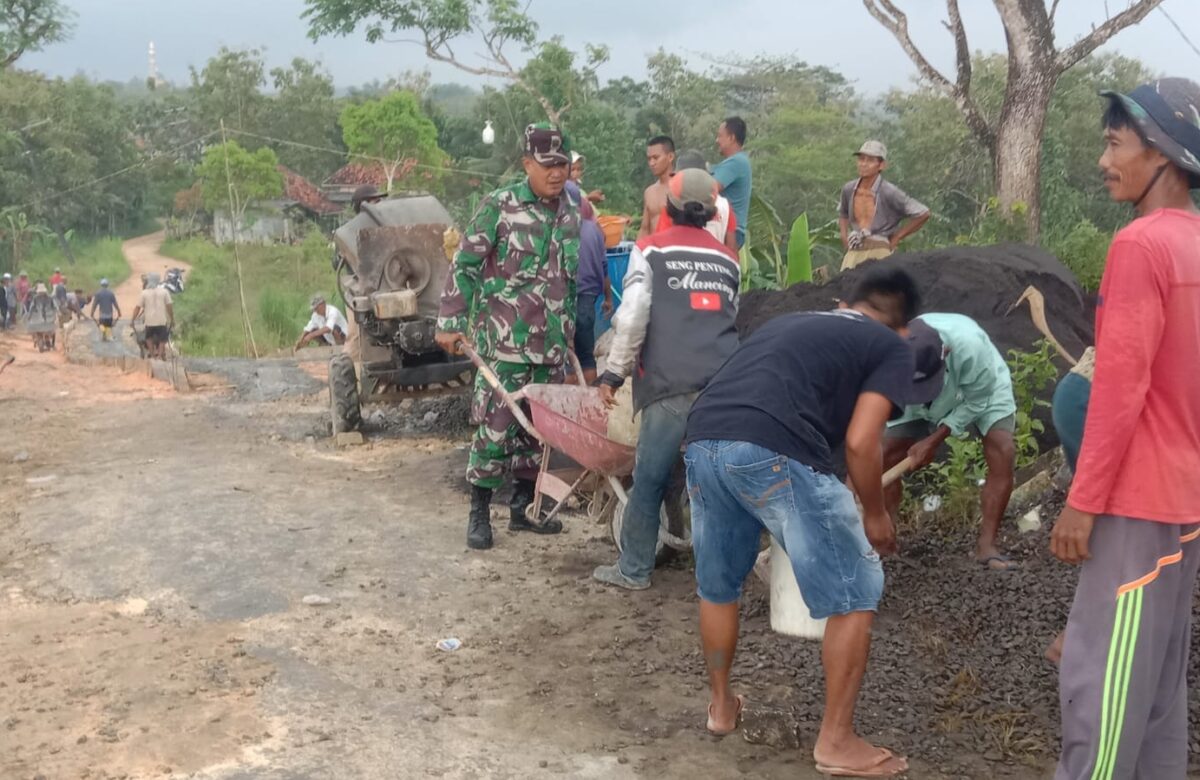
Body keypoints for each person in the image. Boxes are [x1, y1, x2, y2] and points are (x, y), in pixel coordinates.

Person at [683, 266, 919, 778]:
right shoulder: (892, 346)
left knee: (718, 585)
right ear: (902, 327)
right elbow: (861, 442)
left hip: (703, 438)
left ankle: (722, 709)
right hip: (772, 447)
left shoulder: (788, 325)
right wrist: (876, 515)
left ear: (845, 304)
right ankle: (836, 741)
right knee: (857, 589)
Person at [1049, 78, 1200, 780]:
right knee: (1160, 696)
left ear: (1162, 154)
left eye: (1115, 144)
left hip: (1138, 504)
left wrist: (1084, 499)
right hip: (1184, 504)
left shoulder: (1142, 245)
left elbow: (1119, 386)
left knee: (1102, 692)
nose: (1105, 159)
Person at [592, 168, 741, 590]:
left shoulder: (651, 250)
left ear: (668, 208)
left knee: (650, 479)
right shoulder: (728, 260)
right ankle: (720, 572)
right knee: (715, 481)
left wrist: (613, 374)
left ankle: (634, 569)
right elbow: (728, 314)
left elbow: (634, 317)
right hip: (723, 385)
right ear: (712, 213)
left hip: (670, 383)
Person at [435, 123, 580, 550]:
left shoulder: (571, 212)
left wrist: (576, 338)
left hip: (552, 347)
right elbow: (464, 264)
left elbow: (572, 282)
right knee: (494, 432)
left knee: (540, 437)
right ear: (527, 164)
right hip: (505, 346)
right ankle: (479, 512)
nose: (557, 173)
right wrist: (450, 320)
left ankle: (523, 510)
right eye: (548, 165)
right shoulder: (499, 206)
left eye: (563, 165)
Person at [883, 313, 1018, 570]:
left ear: (945, 352)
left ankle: (986, 547)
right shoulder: (887, 353)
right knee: (886, 454)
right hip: (910, 394)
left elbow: (979, 399)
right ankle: (885, 541)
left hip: (981, 389)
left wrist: (933, 440)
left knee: (1003, 449)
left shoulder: (971, 348)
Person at [838, 141, 930, 271]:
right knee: (845, 288)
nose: (863, 164)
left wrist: (898, 236)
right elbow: (843, 213)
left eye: (870, 160)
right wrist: (843, 235)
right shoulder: (849, 189)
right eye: (861, 159)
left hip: (879, 250)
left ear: (881, 165)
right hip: (855, 250)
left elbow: (923, 213)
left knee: (877, 289)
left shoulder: (889, 192)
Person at [653, 150, 739, 252]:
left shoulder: (674, 204)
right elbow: (732, 249)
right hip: (715, 265)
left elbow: (661, 244)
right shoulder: (724, 205)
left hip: (678, 264)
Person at [571, 188, 611, 384]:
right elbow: (604, 269)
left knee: (567, 358)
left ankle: (563, 404)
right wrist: (609, 298)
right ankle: (589, 401)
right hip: (588, 298)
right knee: (586, 355)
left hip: (565, 298)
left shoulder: (560, 225)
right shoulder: (595, 229)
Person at [711, 117, 751, 248]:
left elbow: (710, 188)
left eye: (720, 136)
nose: (717, 140)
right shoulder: (735, 162)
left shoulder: (736, 162)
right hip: (727, 229)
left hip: (729, 231)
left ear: (731, 138)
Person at [638, 135, 676, 237]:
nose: (652, 163)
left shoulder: (682, 188)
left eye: (656, 158)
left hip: (675, 249)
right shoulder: (649, 192)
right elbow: (645, 228)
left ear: (670, 157)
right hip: (654, 249)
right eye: (649, 159)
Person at [130, 273, 173, 359]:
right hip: (161, 321)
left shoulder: (144, 293)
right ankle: (160, 355)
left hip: (149, 321)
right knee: (162, 339)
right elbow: (169, 307)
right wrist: (172, 318)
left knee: (148, 338)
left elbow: (137, 308)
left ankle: (153, 355)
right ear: (158, 281)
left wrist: (132, 320)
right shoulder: (164, 292)